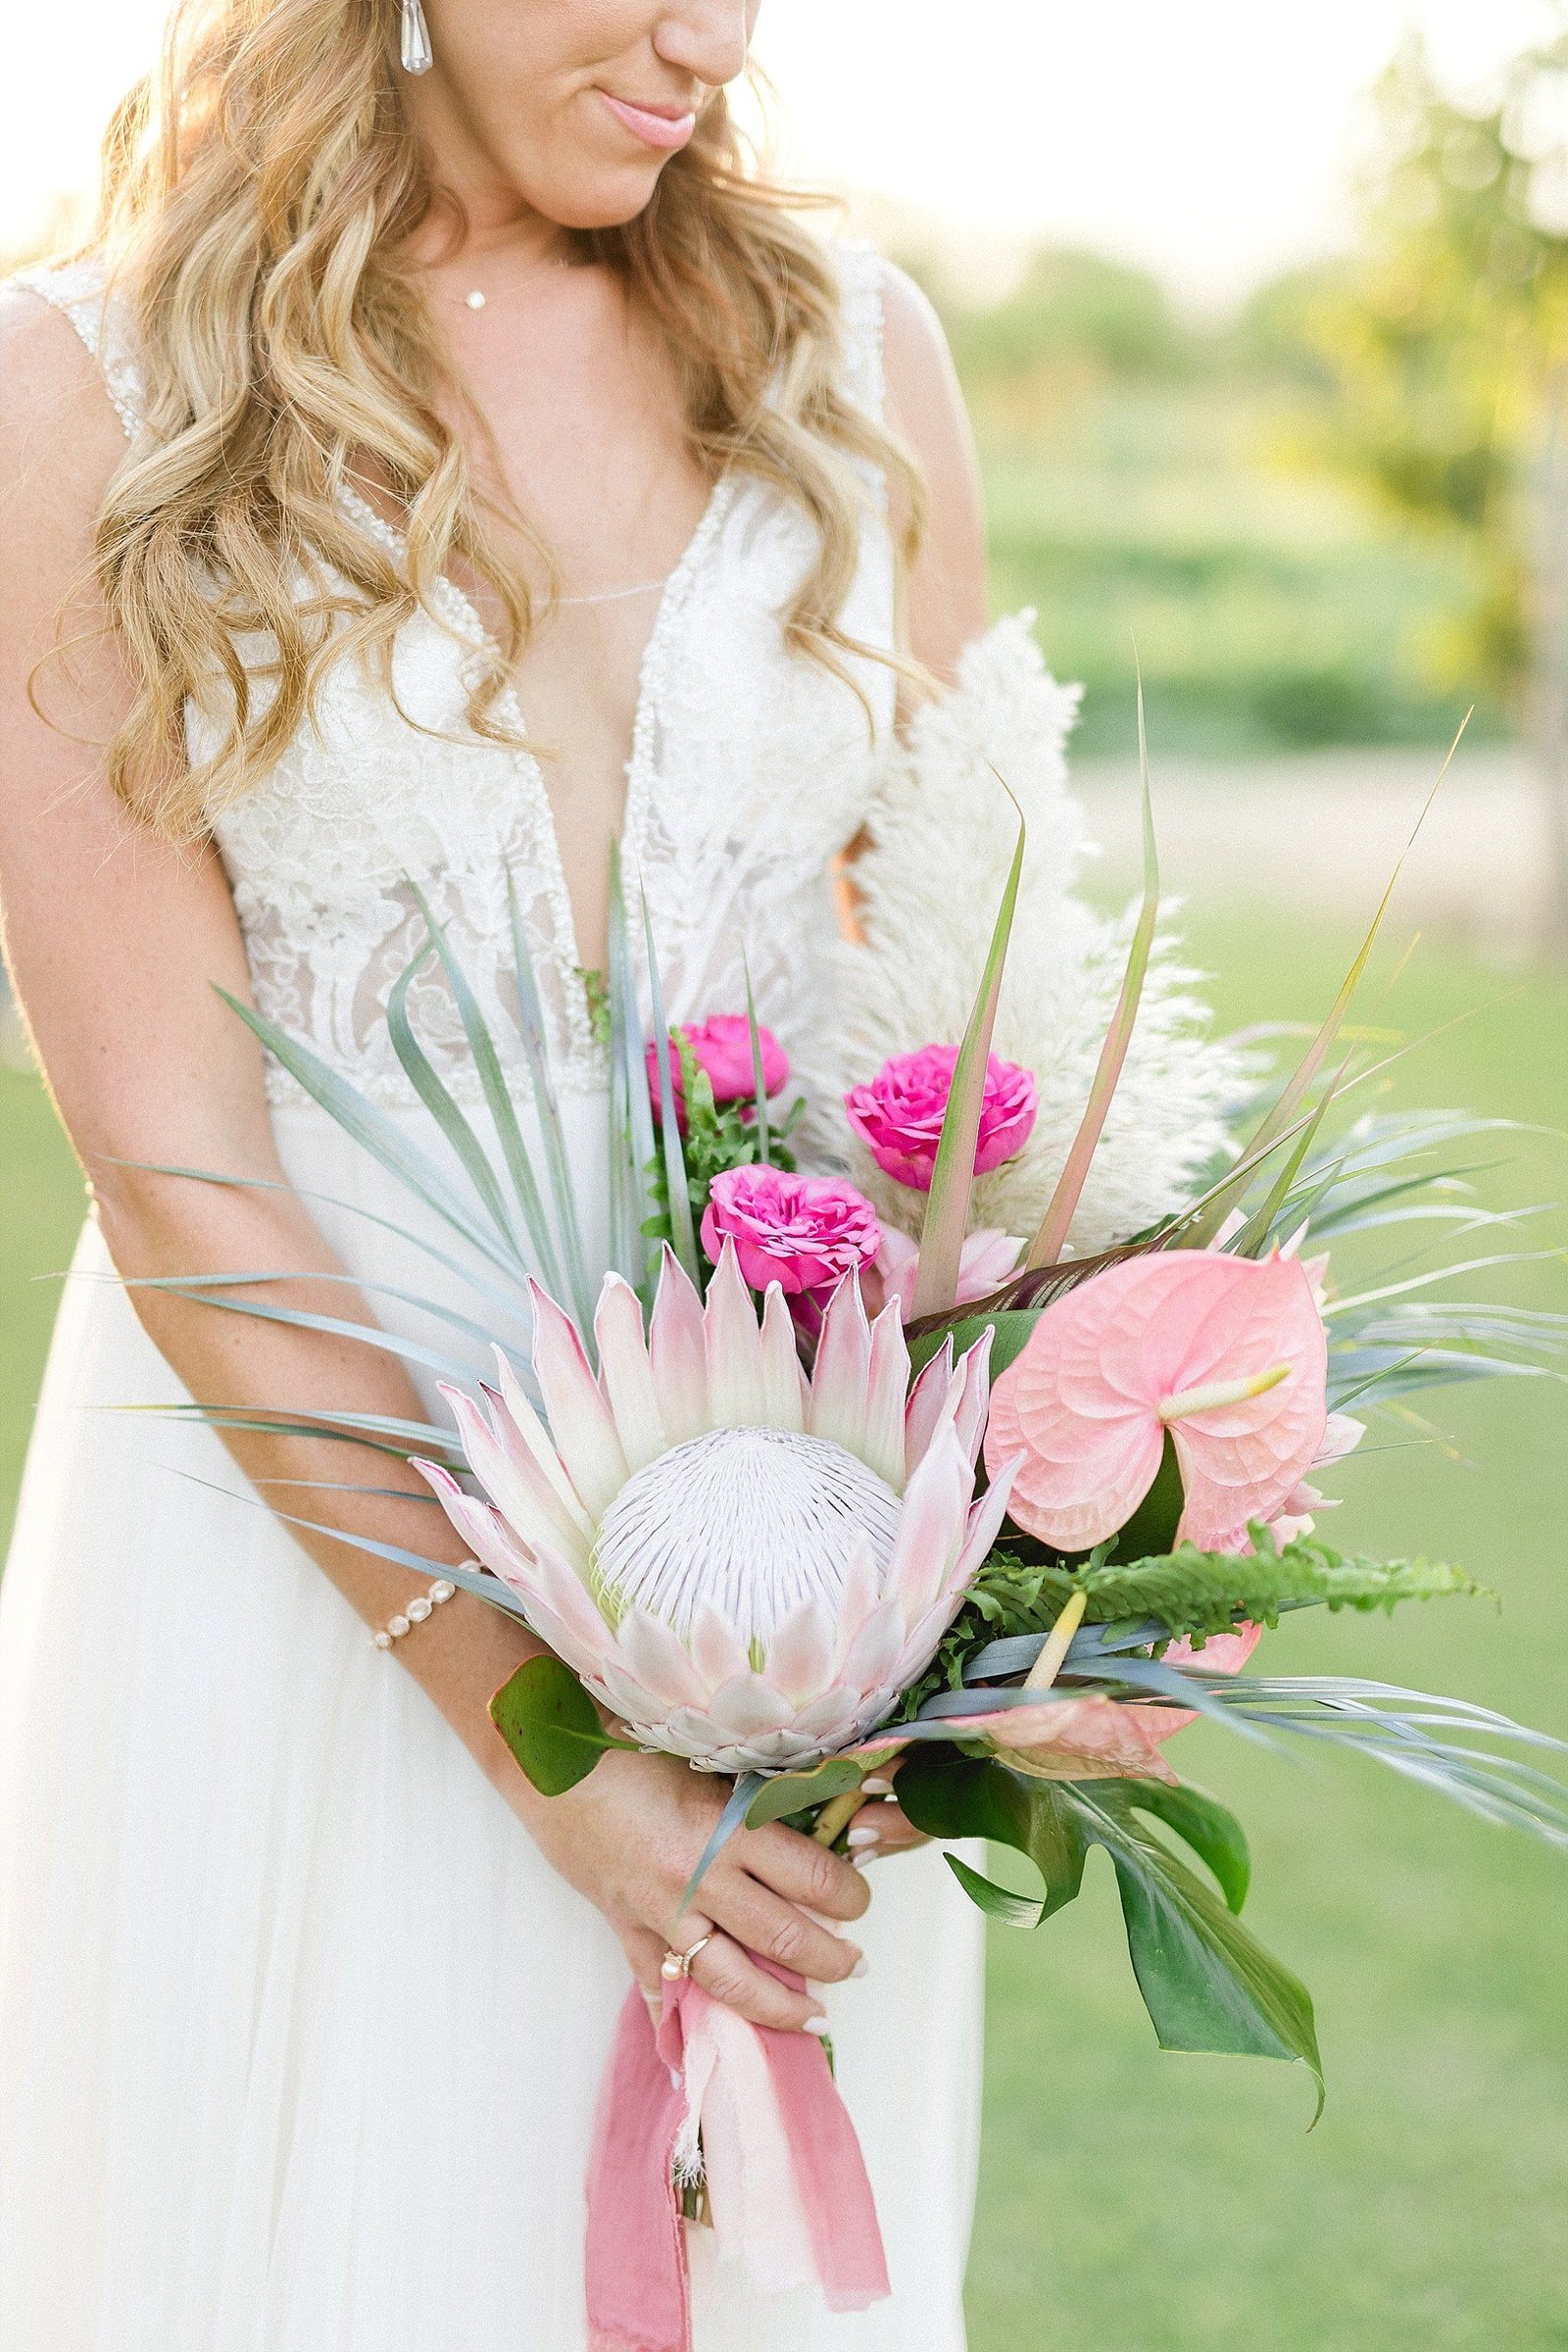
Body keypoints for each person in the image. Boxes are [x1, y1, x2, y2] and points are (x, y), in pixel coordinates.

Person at [0, 4, 991, 2344]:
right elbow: (165, 1149)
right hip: (306, 1549)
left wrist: (1009, 1535)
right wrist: (527, 1741)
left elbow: (963, 1008)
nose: (705, 40)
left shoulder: (852, 350)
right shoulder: (84, 390)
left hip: (786, 1556)